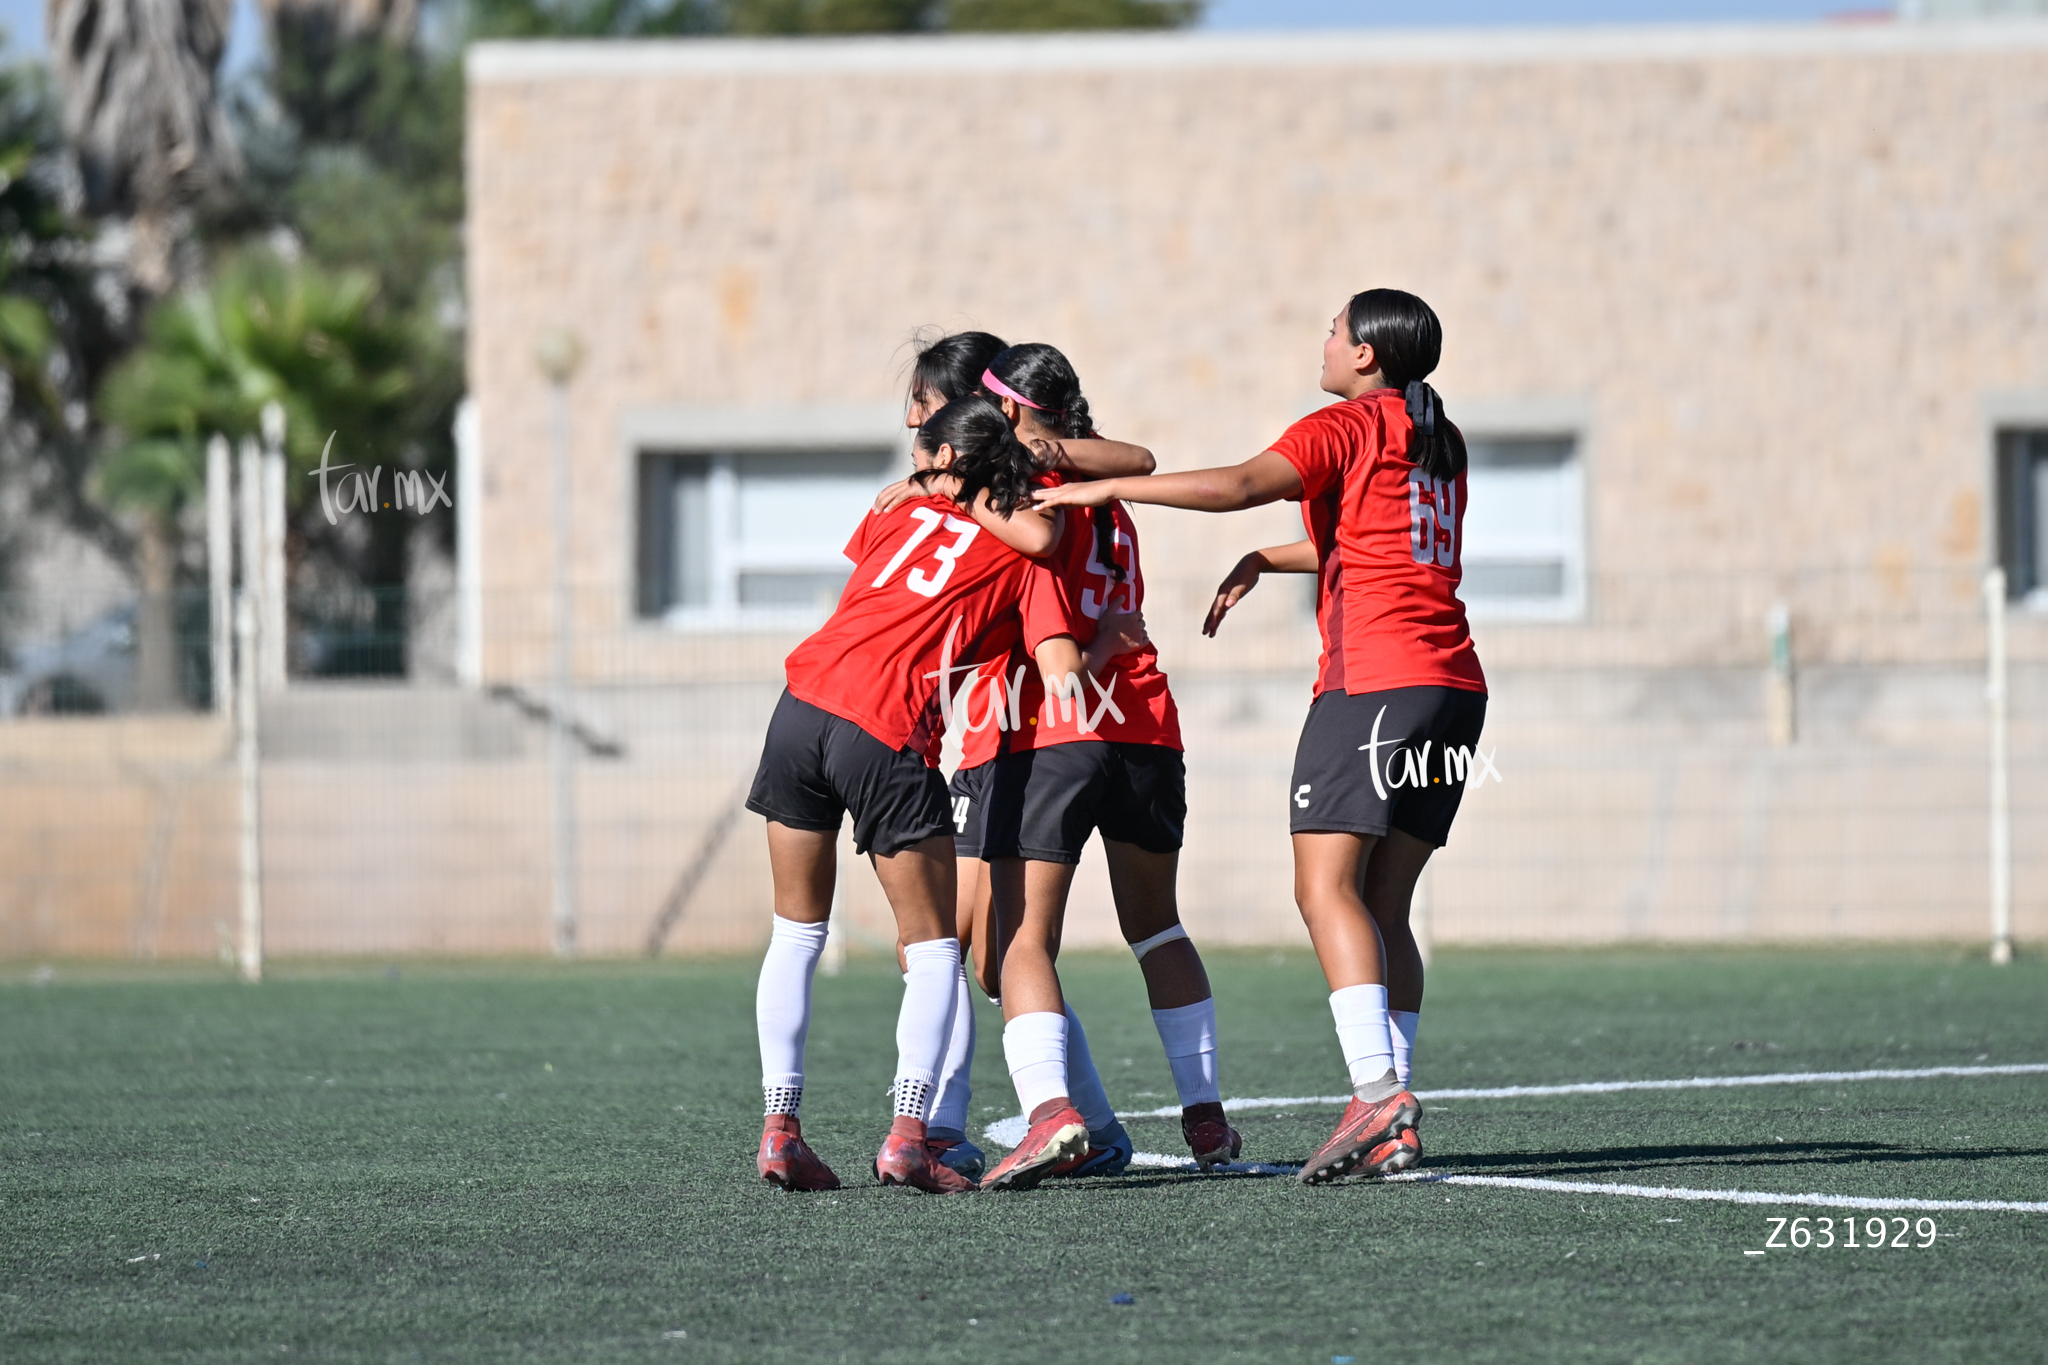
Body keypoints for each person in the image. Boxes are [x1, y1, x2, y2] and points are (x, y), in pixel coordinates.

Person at [1034, 289, 1486, 1185]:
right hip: (1456, 688)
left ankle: (1376, 1093)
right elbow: (1378, 541)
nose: (1321, 342)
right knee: (1383, 902)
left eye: (1332, 329)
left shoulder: (1347, 424)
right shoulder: (1438, 435)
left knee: (1324, 890)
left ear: (1366, 354)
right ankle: (1389, 1104)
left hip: (1376, 688)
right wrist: (1268, 560)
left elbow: (1236, 486)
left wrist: (1110, 483)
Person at [746, 394, 1055, 1195]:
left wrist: (929, 491)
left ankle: (780, 1132)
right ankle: (909, 1136)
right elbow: (1035, 557)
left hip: (801, 703)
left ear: (948, 458)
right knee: (933, 952)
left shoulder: (894, 512)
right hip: (882, 725)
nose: (912, 461)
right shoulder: (1017, 543)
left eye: (923, 449)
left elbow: (877, 593)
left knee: (795, 933)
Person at [880, 331, 1155, 1182]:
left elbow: (1123, 473)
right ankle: (1093, 1125)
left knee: (955, 946)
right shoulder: (1003, 484)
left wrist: (945, 475)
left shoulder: (1005, 488)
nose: (916, 427)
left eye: (924, 408)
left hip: (1014, 733)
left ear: (971, 411)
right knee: (993, 951)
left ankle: (944, 1125)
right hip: (1007, 729)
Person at [969, 343, 1241, 1192]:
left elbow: (1054, 629)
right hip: (1148, 725)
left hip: (1063, 725)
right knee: (1157, 926)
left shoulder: (1029, 494)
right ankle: (1204, 1110)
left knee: (1020, 941)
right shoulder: (1109, 497)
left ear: (1009, 414)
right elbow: (1136, 462)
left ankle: (1049, 1112)